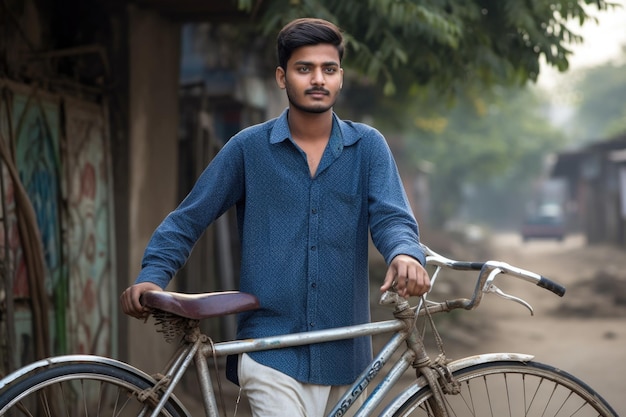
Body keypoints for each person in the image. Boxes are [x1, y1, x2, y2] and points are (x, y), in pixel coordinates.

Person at [121, 17, 430, 417]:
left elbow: (392, 217)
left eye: (328, 69)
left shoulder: (367, 147)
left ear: (340, 77)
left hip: (347, 356)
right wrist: (152, 274)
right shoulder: (248, 149)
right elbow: (188, 218)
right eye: (305, 69)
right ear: (282, 77)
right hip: (270, 354)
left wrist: (404, 253)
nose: (318, 79)